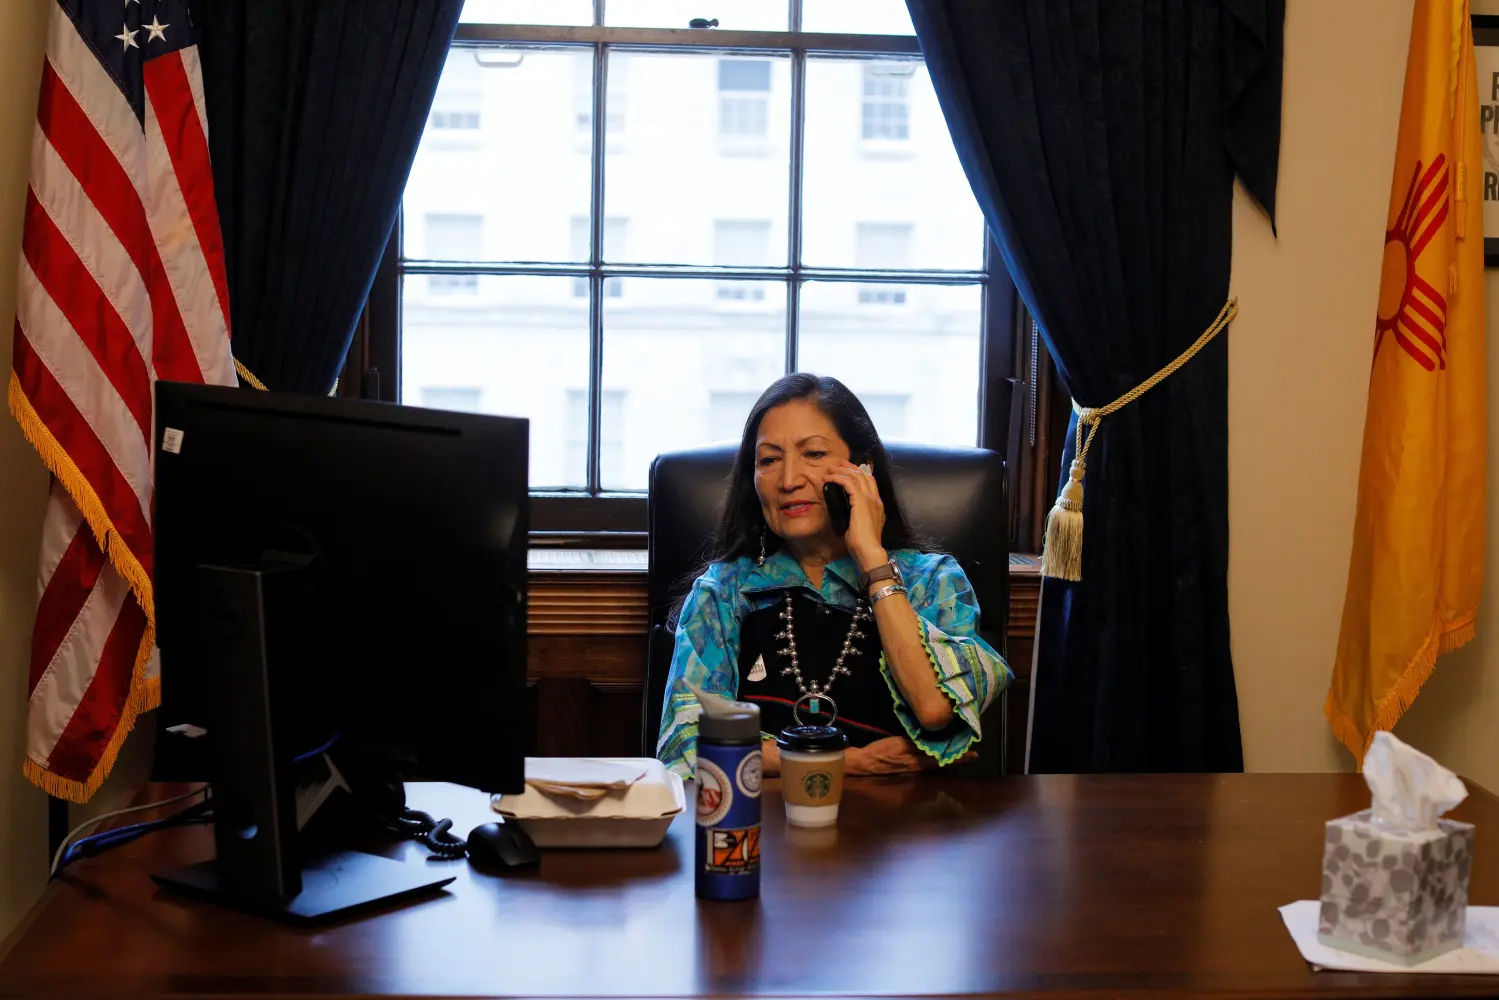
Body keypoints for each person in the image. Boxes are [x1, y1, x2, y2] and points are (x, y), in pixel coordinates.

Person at [657, 373, 1011, 780]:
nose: (789, 481)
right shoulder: (724, 592)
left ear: (863, 469)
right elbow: (686, 747)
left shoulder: (932, 582)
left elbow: (934, 710)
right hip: (767, 825)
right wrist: (845, 763)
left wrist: (872, 560)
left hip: (904, 832)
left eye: (814, 454)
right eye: (769, 460)